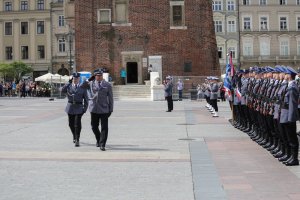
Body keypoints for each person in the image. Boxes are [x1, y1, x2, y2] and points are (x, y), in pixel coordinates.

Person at [82, 68, 114, 151]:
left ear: (102, 76)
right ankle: (99, 139)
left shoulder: (107, 85)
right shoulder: (91, 84)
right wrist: (89, 79)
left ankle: (102, 144)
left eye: (100, 75)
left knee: (104, 127)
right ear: (94, 76)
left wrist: (111, 109)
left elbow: (110, 98)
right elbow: (82, 86)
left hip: (104, 109)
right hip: (94, 109)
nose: (99, 77)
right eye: (97, 76)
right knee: (94, 127)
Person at [61, 72, 88, 147]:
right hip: (70, 107)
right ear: (72, 78)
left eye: (77, 78)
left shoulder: (83, 87)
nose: (75, 79)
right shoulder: (68, 86)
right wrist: (67, 83)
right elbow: (62, 91)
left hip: (79, 107)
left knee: (77, 124)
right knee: (70, 124)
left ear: (79, 79)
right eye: (74, 78)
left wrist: (84, 109)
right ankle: (74, 135)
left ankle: (77, 139)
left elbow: (86, 99)